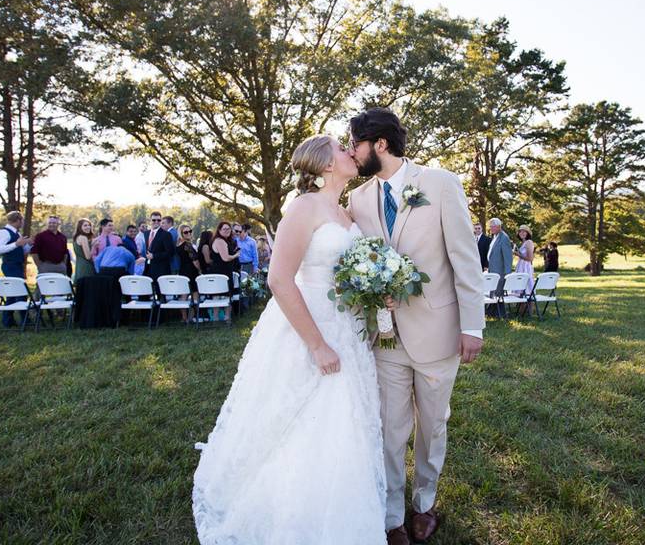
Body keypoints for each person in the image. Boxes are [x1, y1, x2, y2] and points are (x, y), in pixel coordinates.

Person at [193, 135, 386, 544]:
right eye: (341, 148)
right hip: (307, 325)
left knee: (345, 419)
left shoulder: (347, 213)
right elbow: (279, 279)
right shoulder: (303, 207)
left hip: (347, 327)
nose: (351, 152)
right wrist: (316, 344)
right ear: (324, 164)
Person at [346, 108, 484, 545]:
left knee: (433, 425)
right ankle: (392, 516)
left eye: (356, 143)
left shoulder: (440, 183)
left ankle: (425, 503)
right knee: (391, 428)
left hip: (438, 330)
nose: (352, 152)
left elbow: (465, 258)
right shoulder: (358, 199)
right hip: (385, 336)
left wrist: (473, 326)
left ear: (379, 144)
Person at [0, 211, 33, 328]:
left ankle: (8, 320)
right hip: (10, 265)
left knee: (12, 294)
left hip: (17, 265)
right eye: (21, 220)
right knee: (20, 292)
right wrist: (16, 244)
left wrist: (29, 244)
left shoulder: (17, 233)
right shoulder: (3, 232)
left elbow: (22, 251)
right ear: (18, 220)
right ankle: (24, 319)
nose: (22, 223)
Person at [210, 221, 241, 316]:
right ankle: (222, 318)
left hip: (224, 271)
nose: (227, 230)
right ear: (219, 230)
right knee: (221, 296)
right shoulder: (220, 241)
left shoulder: (225, 240)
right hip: (221, 272)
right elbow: (225, 258)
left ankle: (225, 318)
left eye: (228, 228)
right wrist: (236, 255)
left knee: (224, 296)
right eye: (224, 229)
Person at [177, 224, 202, 323]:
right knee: (195, 294)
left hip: (183, 271)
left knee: (184, 295)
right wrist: (200, 270)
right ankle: (191, 317)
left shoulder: (179, 244)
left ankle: (185, 318)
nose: (188, 233)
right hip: (191, 271)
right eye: (186, 232)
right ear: (181, 233)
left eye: (190, 231)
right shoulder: (187, 245)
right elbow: (195, 260)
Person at [144, 211, 175, 280]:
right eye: (154, 220)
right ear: (150, 221)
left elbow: (170, 253)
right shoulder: (146, 233)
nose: (156, 222)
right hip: (147, 268)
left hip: (161, 270)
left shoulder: (166, 234)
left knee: (160, 290)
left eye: (159, 220)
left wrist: (154, 256)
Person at [513, 225, 536, 313]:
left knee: (527, 287)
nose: (522, 233)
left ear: (527, 233)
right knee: (521, 287)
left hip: (526, 268)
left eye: (524, 231)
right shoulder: (523, 243)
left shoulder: (529, 242)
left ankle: (528, 311)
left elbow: (530, 258)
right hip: (521, 266)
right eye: (520, 231)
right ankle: (522, 311)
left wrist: (518, 254)